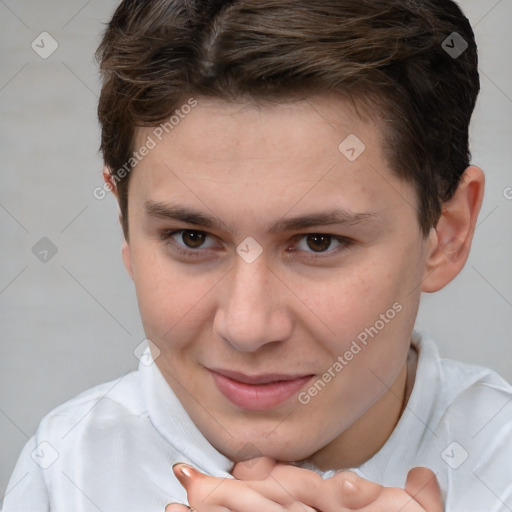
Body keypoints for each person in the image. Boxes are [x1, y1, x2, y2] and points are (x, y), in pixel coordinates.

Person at [3, 0, 511, 511]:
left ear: (447, 234)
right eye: (192, 238)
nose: (247, 327)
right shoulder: (64, 473)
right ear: (126, 228)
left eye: (319, 242)